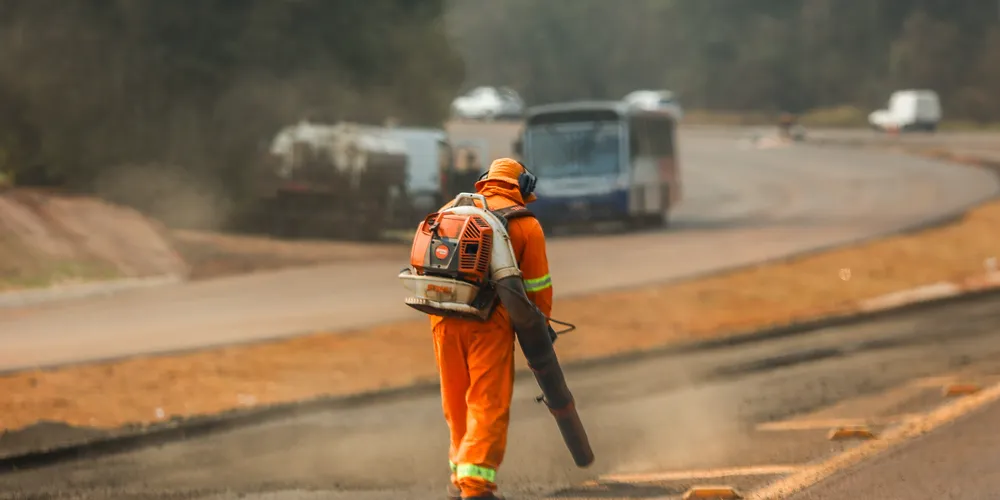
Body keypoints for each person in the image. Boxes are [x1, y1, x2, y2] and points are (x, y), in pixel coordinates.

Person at [431, 158, 553, 500]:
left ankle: (460, 477)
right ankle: (476, 487)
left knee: (456, 402)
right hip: (489, 324)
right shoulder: (525, 225)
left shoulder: (449, 210)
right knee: (487, 402)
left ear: (485, 181)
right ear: (524, 186)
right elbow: (538, 289)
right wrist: (539, 330)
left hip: (442, 318)